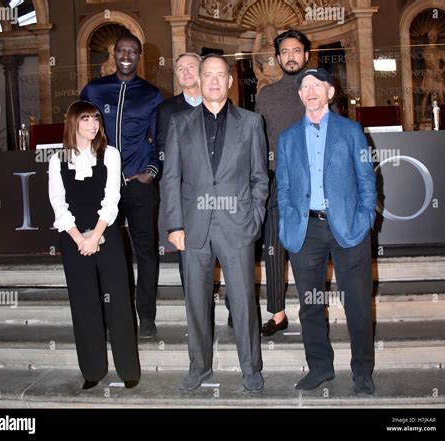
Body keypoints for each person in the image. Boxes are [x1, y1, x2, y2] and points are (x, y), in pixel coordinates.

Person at [161, 54, 268, 392]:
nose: (214, 81)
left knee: (244, 302)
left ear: (230, 81)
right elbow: (171, 178)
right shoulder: (179, 123)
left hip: (237, 226)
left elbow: (260, 178)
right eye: (208, 75)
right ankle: (199, 367)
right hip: (193, 227)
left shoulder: (251, 122)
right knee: (195, 302)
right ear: (197, 80)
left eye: (221, 75)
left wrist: (255, 220)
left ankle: (251, 368)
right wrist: (174, 225)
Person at [276, 68, 376, 394]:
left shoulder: (351, 131)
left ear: (330, 92)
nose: (310, 90)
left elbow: (367, 182)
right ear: (300, 95)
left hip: (347, 226)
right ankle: (320, 368)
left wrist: (364, 220)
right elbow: (284, 189)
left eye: (316, 85)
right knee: (310, 303)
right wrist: (288, 221)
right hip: (306, 230)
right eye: (304, 86)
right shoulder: (287, 138)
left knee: (358, 302)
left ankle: (362, 371)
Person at [48, 100, 141, 390]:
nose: (92, 125)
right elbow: (58, 205)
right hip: (74, 240)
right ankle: (93, 369)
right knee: (84, 304)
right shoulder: (57, 159)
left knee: (119, 304)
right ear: (73, 123)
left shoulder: (110, 154)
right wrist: (80, 239)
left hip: (107, 235)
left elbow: (111, 200)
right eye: (85, 119)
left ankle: (128, 369)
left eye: (96, 119)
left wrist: (95, 236)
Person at [80, 34, 164, 339]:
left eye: (133, 51)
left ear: (140, 56)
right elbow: (79, 130)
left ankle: (147, 317)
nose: (126, 54)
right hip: (102, 186)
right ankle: (112, 312)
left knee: (146, 252)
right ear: (113, 54)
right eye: (121, 50)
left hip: (137, 184)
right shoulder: (94, 89)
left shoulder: (152, 94)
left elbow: (160, 139)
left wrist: (152, 171)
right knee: (104, 249)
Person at [252, 29, 311, 337]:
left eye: (296, 50)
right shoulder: (266, 95)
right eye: (285, 52)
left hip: (311, 185)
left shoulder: (319, 90)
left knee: (307, 248)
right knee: (273, 248)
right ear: (277, 58)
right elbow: (258, 142)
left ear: (306, 55)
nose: (290, 56)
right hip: (276, 181)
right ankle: (277, 313)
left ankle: (312, 310)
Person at [156, 52, 202, 291]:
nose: (185, 72)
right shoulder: (167, 109)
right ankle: (193, 313)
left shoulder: (218, 101)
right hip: (185, 193)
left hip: (220, 193)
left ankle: (233, 312)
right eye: (180, 69)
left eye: (191, 67)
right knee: (188, 253)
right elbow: (163, 149)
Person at [420, 28, 445, 120]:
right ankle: (423, 117)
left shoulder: (439, 50)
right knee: (426, 95)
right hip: (430, 73)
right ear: (429, 37)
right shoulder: (426, 49)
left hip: (438, 74)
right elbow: (427, 63)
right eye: (431, 36)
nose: (433, 38)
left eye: (434, 36)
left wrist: (441, 71)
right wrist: (436, 70)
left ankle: (443, 118)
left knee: (441, 96)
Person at [252, 23, 283, 94]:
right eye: (268, 34)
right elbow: (255, 52)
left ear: (276, 34)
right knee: (263, 87)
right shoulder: (263, 50)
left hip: (281, 77)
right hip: (266, 78)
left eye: (272, 33)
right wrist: (259, 34)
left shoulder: (282, 49)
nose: (270, 36)